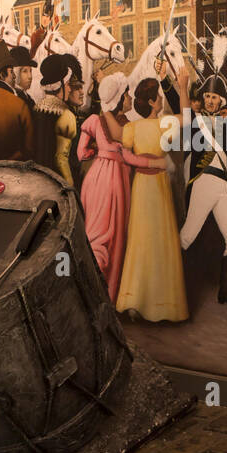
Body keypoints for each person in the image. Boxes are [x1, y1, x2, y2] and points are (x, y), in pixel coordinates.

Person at [179, 36, 227, 308]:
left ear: (221, 100)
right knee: (186, 237)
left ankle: (225, 292)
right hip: (203, 183)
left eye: (214, 97)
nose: (209, 100)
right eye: (206, 96)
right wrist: (182, 87)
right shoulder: (195, 122)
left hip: (222, 188)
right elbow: (184, 112)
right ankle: (174, 289)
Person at [116, 76, 189, 322]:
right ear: (151, 101)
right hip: (156, 186)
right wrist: (184, 87)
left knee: (141, 240)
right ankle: (162, 306)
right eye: (158, 96)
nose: (160, 99)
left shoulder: (132, 128)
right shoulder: (163, 125)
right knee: (160, 240)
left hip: (142, 186)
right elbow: (187, 118)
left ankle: (134, 302)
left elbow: (127, 156)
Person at [77, 72, 154, 300]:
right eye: (127, 94)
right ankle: (107, 294)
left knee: (93, 233)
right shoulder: (128, 127)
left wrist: (96, 152)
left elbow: (81, 154)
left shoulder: (93, 121)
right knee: (115, 237)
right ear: (120, 98)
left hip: (94, 179)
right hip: (117, 180)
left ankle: (87, 291)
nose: (129, 97)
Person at [31, 53, 81, 184]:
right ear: (60, 85)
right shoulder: (66, 115)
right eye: (68, 84)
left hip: (38, 179)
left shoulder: (36, 109)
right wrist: (70, 187)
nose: (70, 89)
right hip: (57, 183)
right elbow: (61, 160)